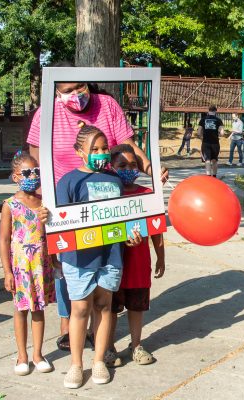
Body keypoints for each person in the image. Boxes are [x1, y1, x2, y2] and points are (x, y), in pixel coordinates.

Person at [27, 78, 167, 353]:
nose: (76, 95)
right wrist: (45, 194)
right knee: (72, 268)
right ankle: (70, 331)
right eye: (67, 91)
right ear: (57, 92)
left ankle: (99, 338)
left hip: (105, 199)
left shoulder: (107, 106)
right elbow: (36, 152)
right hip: (65, 202)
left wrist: (150, 168)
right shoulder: (46, 113)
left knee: (105, 266)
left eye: (80, 88)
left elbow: (128, 146)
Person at [55, 124, 143, 389]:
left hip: (111, 255)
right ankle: (76, 364)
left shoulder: (115, 180)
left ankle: (99, 361)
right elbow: (60, 220)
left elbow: (126, 217)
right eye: (94, 149)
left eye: (104, 148)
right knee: (80, 308)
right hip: (78, 258)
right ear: (80, 151)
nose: (101, 153)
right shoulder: (69, 181)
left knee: (104, 306)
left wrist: (132, 235)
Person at [105, 144, 165, 367]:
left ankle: (136, 344)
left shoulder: (147, 195)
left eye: (133, 165)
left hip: (139, 263)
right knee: (110, 308)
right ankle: (108, 347)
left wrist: (161, 256)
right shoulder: (106, 194)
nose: (128, 169)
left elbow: (156, 229)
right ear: (111, 167)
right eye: (122, 165)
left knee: (137, 306)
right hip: (112, 263)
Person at [0, 151, 56, 376]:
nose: (33, 176)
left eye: (36, 172)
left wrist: (49, 218)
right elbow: (4, 240)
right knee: (21, 309)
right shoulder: (10, 205)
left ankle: (38, 354)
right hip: (20, 268)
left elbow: (52, 234)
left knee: (39, 309)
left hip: (41, 266)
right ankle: (22, 355)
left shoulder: (45, 203)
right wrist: (7, 271)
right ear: (16, 177)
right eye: (27, 172)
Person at [197, 105, 225, 177]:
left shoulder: (203, 120)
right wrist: (218, 134)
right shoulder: (218, 120)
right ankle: (214, 176)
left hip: (206, 142)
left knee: (207, 160)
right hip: (215, 143)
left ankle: (208, 176)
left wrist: (202, 138)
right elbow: (222, 133)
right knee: (214, 160)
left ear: (208, 111)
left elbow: (199, 132)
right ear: (215, 111)